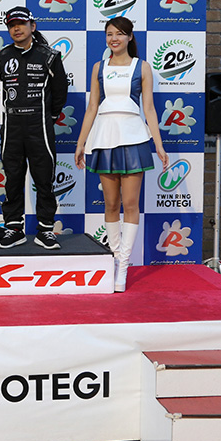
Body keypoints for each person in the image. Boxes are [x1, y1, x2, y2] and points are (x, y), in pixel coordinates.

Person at [74, 16, 169, 292]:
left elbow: (149, 109)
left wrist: (158, 144)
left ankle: (124, 265)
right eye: (109, 34)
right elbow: (92, 107)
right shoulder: (99, 67)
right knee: (111, 204)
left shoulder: (143, 67)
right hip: (104, 137)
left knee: (130, 203)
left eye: (119, 33)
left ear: (129, 37)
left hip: (133, 138)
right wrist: (81, 143)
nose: (113, 38)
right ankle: (114, 259)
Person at [0, 6, 68, 250]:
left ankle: (46, 230)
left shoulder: (49, 56)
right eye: (11, 25)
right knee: (12, 178)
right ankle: (14, 228)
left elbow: (60, 92)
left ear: (33, 26)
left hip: (39, 126)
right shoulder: (0, 58)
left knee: (44, 179)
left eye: (20, 23)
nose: (16, 28)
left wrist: (49, 116)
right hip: (12, 127)